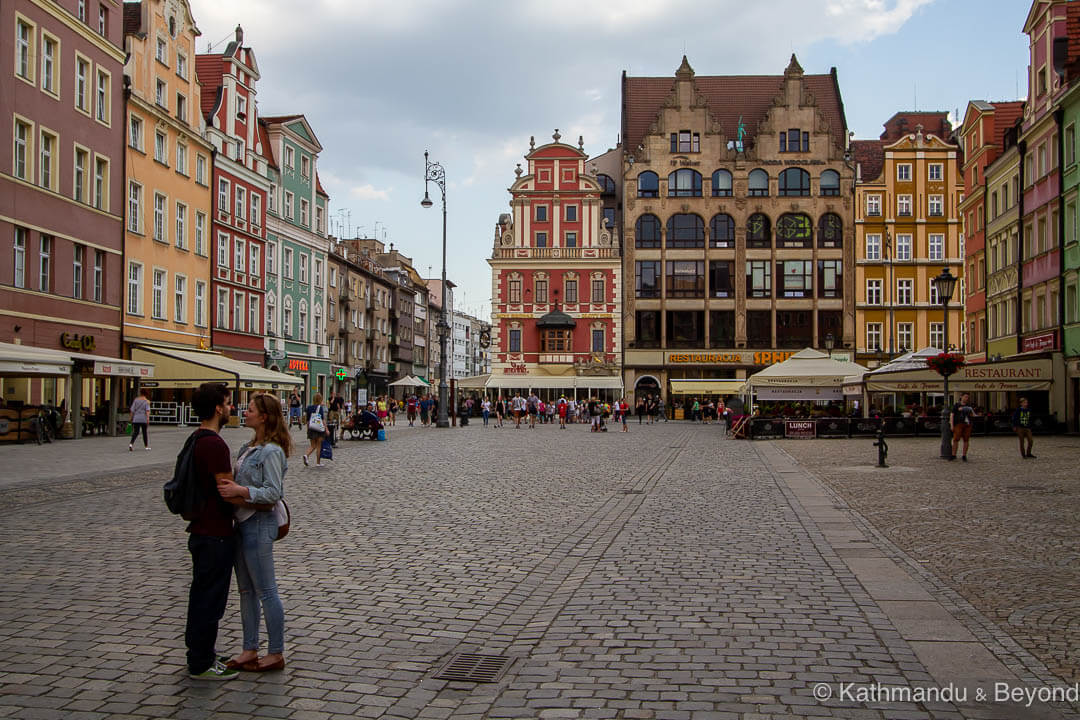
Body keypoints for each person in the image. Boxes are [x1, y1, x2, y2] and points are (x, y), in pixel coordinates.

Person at [217, 393, 290, 673]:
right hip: (242, 523)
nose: (243, 412)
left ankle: (275, 652)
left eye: (249, 409)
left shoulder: (271, 451)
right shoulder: (248, 448)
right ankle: (249, 649)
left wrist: (241, 491)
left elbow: (273, 492)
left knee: (267, 591)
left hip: (260, 523)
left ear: (264, 417)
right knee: (246, 591)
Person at [183, 382, 239, 680]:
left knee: (201, 595)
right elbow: (227, 490)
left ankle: (200, 653)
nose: (232, 408)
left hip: (201, 530)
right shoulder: (215, 444)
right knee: (210, 600)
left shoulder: (195, 438)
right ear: (218, 408)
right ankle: (201, 662)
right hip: (216, 531)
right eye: (229, 403)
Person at [302, 393, 329, 467]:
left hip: (311, 428)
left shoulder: (309, 408)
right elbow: (322, 420)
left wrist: (308, 429)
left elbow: (307, 420)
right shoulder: (320, 408)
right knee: (319, 446)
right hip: (319, 429)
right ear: (320, 399)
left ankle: (306, 455)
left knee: (313, 445)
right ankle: (318, 462)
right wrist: (326, 429)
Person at [949, 392, 976, 461]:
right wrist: (951, 425)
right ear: (961, 397)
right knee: (956, 439)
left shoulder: (969, 405)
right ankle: (953, 454)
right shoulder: (956, 405)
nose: (966, 398)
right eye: (965, 397)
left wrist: (971, 412)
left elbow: (973, 415)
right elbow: (952, 415)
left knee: (966, 440)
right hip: (958, 424)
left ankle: (964, 455)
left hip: (967, 424)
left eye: (967, 397)